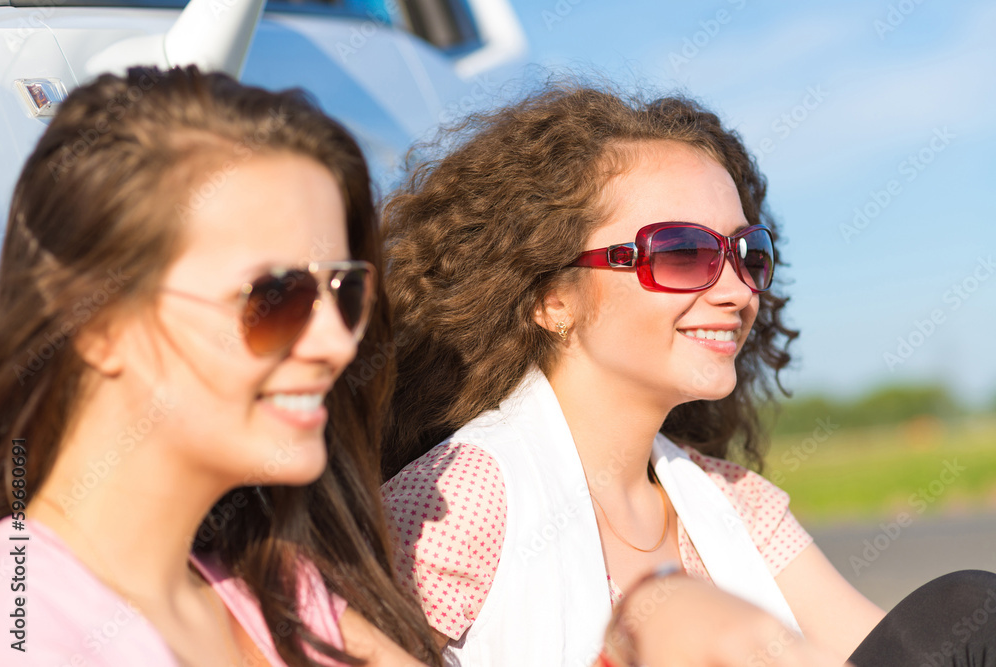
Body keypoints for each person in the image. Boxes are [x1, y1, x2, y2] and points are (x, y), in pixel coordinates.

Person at [380, 85, 996, 666]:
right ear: (551, 298)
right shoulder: (458, 496)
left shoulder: (733, 501)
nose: (735, 290)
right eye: (679, 253)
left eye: (747, 252)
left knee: (970, 610)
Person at [0, 65, 442, 666]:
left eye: (347, 291)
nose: (338, 342)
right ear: (98, 324)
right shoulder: (23, 628)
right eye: (273, 297)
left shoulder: (275, 591)